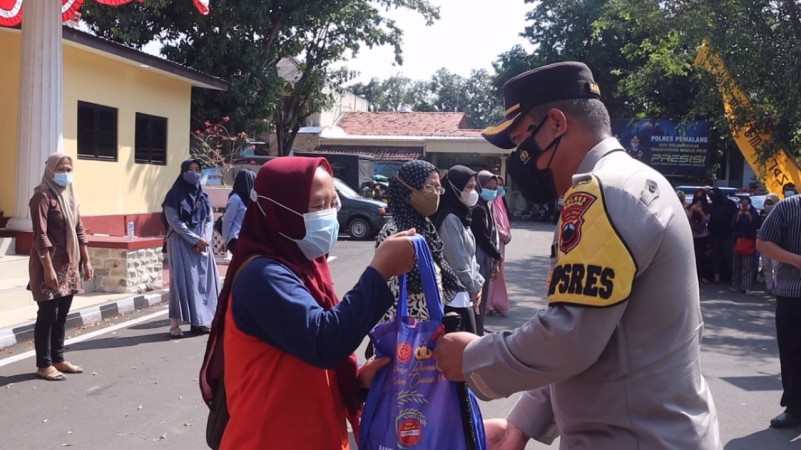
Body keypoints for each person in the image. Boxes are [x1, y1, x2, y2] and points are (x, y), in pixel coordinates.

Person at [433, 61, 720, 448]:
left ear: (556, 123)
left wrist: (472, 358)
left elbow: (571, 337)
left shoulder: (605, 192)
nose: (522, 161)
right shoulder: (626, 184)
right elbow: (595, 339)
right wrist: (521, 425)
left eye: (521, 144)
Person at [198, 156, 415, 449]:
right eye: (317, 206)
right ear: (277, 209)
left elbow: (308, 358)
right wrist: (379, 272)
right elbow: (323, 341)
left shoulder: (304, 267)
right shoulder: (263, 276)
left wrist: (357, 382)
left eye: (331, 203)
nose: (329, 215)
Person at [28, 153, 94, 381]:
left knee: (62, 316)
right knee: (48, 314)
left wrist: (86, 260)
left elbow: (80, 230)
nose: (65, 173)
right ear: (50, 170)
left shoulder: (70, 196)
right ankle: (43, 364)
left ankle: (58, 358)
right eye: (61, 169)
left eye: (68, 169)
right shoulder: (42, 197)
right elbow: (40, 235)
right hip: (49, 262)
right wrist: (47, 268)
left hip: (69, 264)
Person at [374, 160, 464, 323]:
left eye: (438, 188)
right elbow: (389, 289)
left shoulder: (426, 226)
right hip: (402, 330)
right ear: (407, 189)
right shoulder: (394, 231)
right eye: (429, 187)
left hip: (427, 326)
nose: (435, 194)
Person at [756, 192, 801, 428]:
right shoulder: (787, 207)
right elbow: (763, 242)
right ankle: (794, 408)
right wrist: (795, 259)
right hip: (793, 293)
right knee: (792, 353)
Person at [162, 159, 220, 337]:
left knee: (204, 282)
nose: (194, 173)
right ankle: (174, 324)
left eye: (197, 170)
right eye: (190, 170)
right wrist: (194, 239)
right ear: (183, 172)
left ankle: (201, 321)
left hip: (202, 244)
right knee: (181, 281)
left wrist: (205, 240)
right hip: (181, 242)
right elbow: (174, 221)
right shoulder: (174, 195)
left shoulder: (202, 196)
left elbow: (209, 218)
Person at [434, 165, 485, 334]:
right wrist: (473, 287)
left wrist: (477, 283)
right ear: (454, 189)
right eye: (468, 187)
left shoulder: (463, 216)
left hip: (466, 291)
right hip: (454, 296)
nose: (473, 192)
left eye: (474, 187)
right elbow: (458, 260)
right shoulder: (450, 218)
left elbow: (471, 257)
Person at [470, 170, 502, 336]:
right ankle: (476, 332)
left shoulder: (488, 205)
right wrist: (497, 255)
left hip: (487, 256)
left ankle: (479, 330)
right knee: (477, 298)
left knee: (483, 298)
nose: (492, 190)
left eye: (494, 187)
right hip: (478, 257)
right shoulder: (477, 208)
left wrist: (496, 258)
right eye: (488, 187)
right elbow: (482, 236)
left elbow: (493, 232)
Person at [487, 176, 512, 316]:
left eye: (499, 186)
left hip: (501, 242)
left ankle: (497, 302)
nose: (498, 190)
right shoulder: (489, 204)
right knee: (492, 274)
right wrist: (505, 235)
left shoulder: (499, 202)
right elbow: (494, 225)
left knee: (499, 274)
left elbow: (505, 221)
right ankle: (489, 304)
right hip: (494, 242)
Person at [730, 196, 761, 294]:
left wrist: (749, 217)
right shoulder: (736, 212)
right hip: (737, 241)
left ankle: (746, 286)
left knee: (747, 266)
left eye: (746, 204)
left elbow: (756, 226)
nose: (744, 206)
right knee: (736, 265)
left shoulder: (753, 213)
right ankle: (736, 285)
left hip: (749, 242)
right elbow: (733, 226)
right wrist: (738, 216)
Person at [222, 169, 256, 254]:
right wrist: (224, 240)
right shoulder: (236, 198)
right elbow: (228, 220)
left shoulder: (251, 200)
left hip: (245, 238)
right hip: (236, 238)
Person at [707, 187, 738, 283]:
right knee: (715, 256)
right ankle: (717, 276)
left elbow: (734, 219)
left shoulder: (730, 205)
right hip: (714, 235)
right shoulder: (712, 206)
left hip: (727, 235)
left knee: (728, 256)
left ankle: (732, 277)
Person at [689, 188, 712, 282]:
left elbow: (707, 220)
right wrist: (692, 210)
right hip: (692, 234)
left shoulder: (707, 207)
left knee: (701, 256)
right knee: (692, 256)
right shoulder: (690, 206)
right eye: (697, 195)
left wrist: (701, 212)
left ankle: (701, 275)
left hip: (702, 235)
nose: (699, 198)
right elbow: (687, 219)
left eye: (701, 195)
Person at [760, 193, 781, 296]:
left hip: (776, 245)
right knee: (767, 266)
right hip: (764, 244)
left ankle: (777, 289)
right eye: (767, 203)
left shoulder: (781, 215)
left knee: (776, 268)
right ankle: (769, 288)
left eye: (771, 203)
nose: (768, 205)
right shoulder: (762, 214)